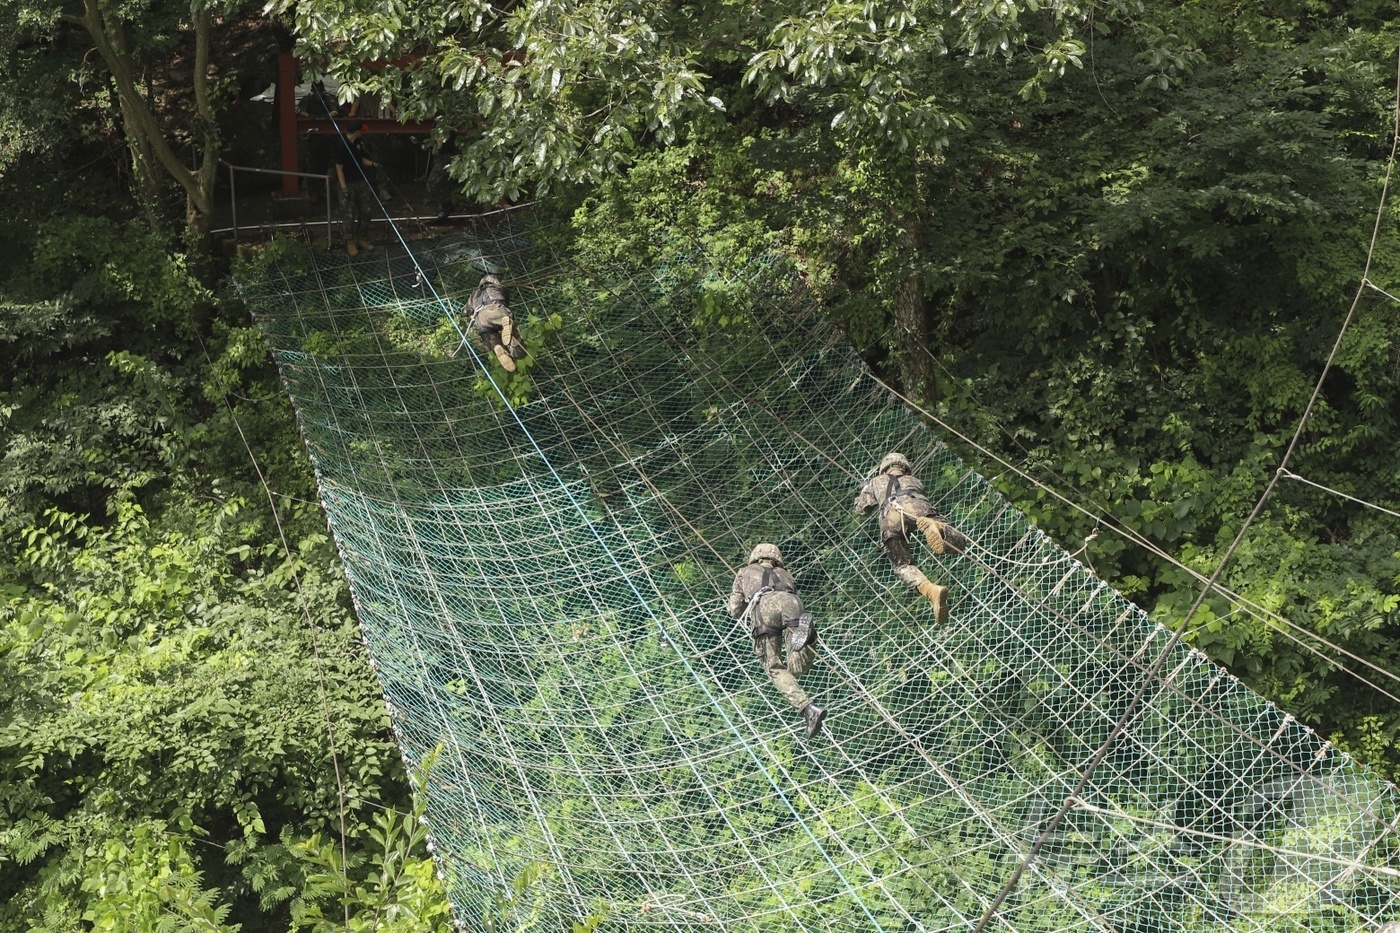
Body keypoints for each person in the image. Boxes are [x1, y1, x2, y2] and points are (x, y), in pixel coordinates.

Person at [854, 451, 967, 624]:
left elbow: (861, 509)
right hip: (916, 506)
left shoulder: (876, 482)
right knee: (958, 541)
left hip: (890, 516)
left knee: (902, 565)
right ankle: (938, 529)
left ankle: (930, 590)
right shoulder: (915, 481)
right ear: (906, 470)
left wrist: (865, 489)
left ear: (884, 470)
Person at [727, 543, 826, 739]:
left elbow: (735, 609)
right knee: (797, 666)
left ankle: (807, 709)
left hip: (765, 607)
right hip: (792, 602)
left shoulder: (744, 572)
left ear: (755, 556)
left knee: (774, 667)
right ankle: (811, 636)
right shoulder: (785, 573)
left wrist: (736, 603)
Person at [334, 121, 378, 256]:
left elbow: (360, 160)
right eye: (361, 131)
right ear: (357, 131)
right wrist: (344, 188)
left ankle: (361, 238)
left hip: (361, 182)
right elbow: (339, 167)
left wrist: (373, 164)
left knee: (366, 211)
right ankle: (350, 242)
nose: (362, 133)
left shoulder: (358, 144)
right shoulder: (341, 145)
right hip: (348, 184)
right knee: (349, 215)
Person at [466, 273, 525, 372]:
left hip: (480, 319)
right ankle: (512, 331)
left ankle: (497, 346)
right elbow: (506, 300)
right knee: (520, 353)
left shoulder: (473, 294)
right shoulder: (497, 287)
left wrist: (467, 310)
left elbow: (465, 311)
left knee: (489, 338)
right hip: (494, 310)